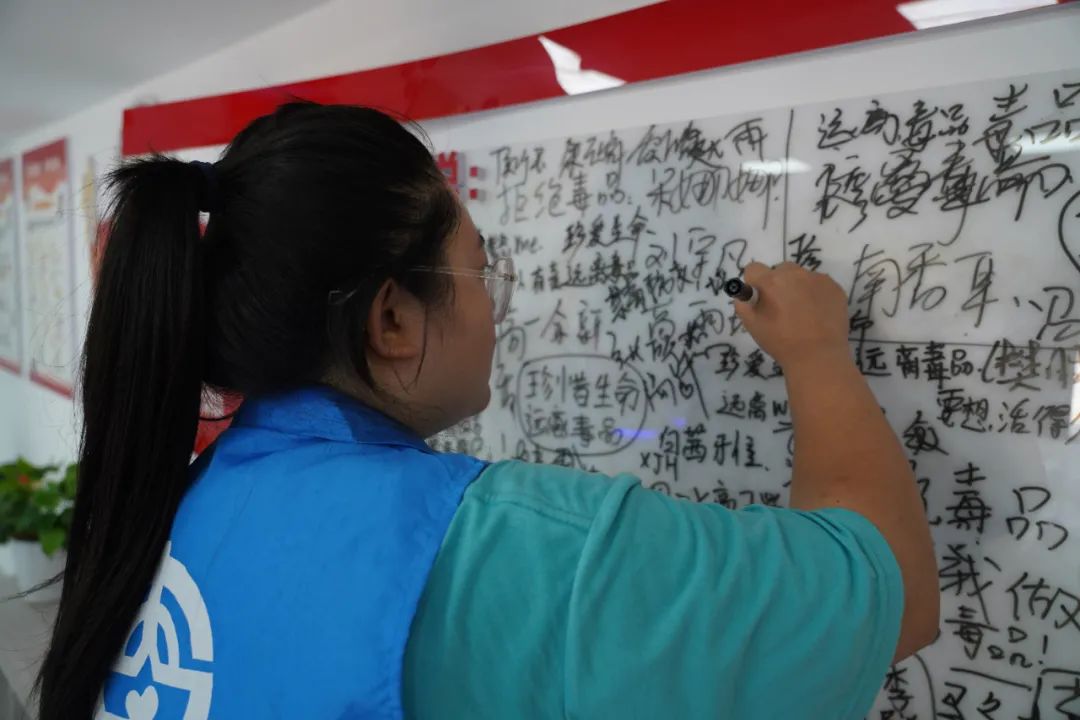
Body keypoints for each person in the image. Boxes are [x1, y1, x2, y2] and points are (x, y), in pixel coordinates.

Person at [35, 102, 938, 719]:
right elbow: (892, 592)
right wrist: (817, 354)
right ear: (392, 320)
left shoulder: (195, 494)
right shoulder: (525, 549)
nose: (497, 305)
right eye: (479, 269)